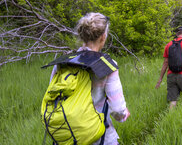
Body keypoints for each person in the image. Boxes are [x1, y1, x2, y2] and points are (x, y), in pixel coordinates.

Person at [49, 12, 130, 145]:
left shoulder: (63, 62)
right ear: (103, 37)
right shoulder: (108, 66)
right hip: (98, 137)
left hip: (66, 135)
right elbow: (117, 109)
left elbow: (53, 96)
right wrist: (124, 115)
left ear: (82, 36)